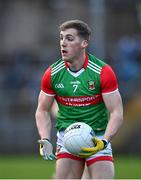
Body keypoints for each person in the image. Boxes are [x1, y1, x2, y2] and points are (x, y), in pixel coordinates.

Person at [35, 19, 123, 179]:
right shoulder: (52, 73)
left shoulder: (102, 71)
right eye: (61, 38)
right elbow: (42, 110)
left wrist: (105, 140)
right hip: (67, 138)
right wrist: (45, 138)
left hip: (98, 137)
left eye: (69, 38)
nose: (63, 43)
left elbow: (116, 112)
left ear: (84, 43)